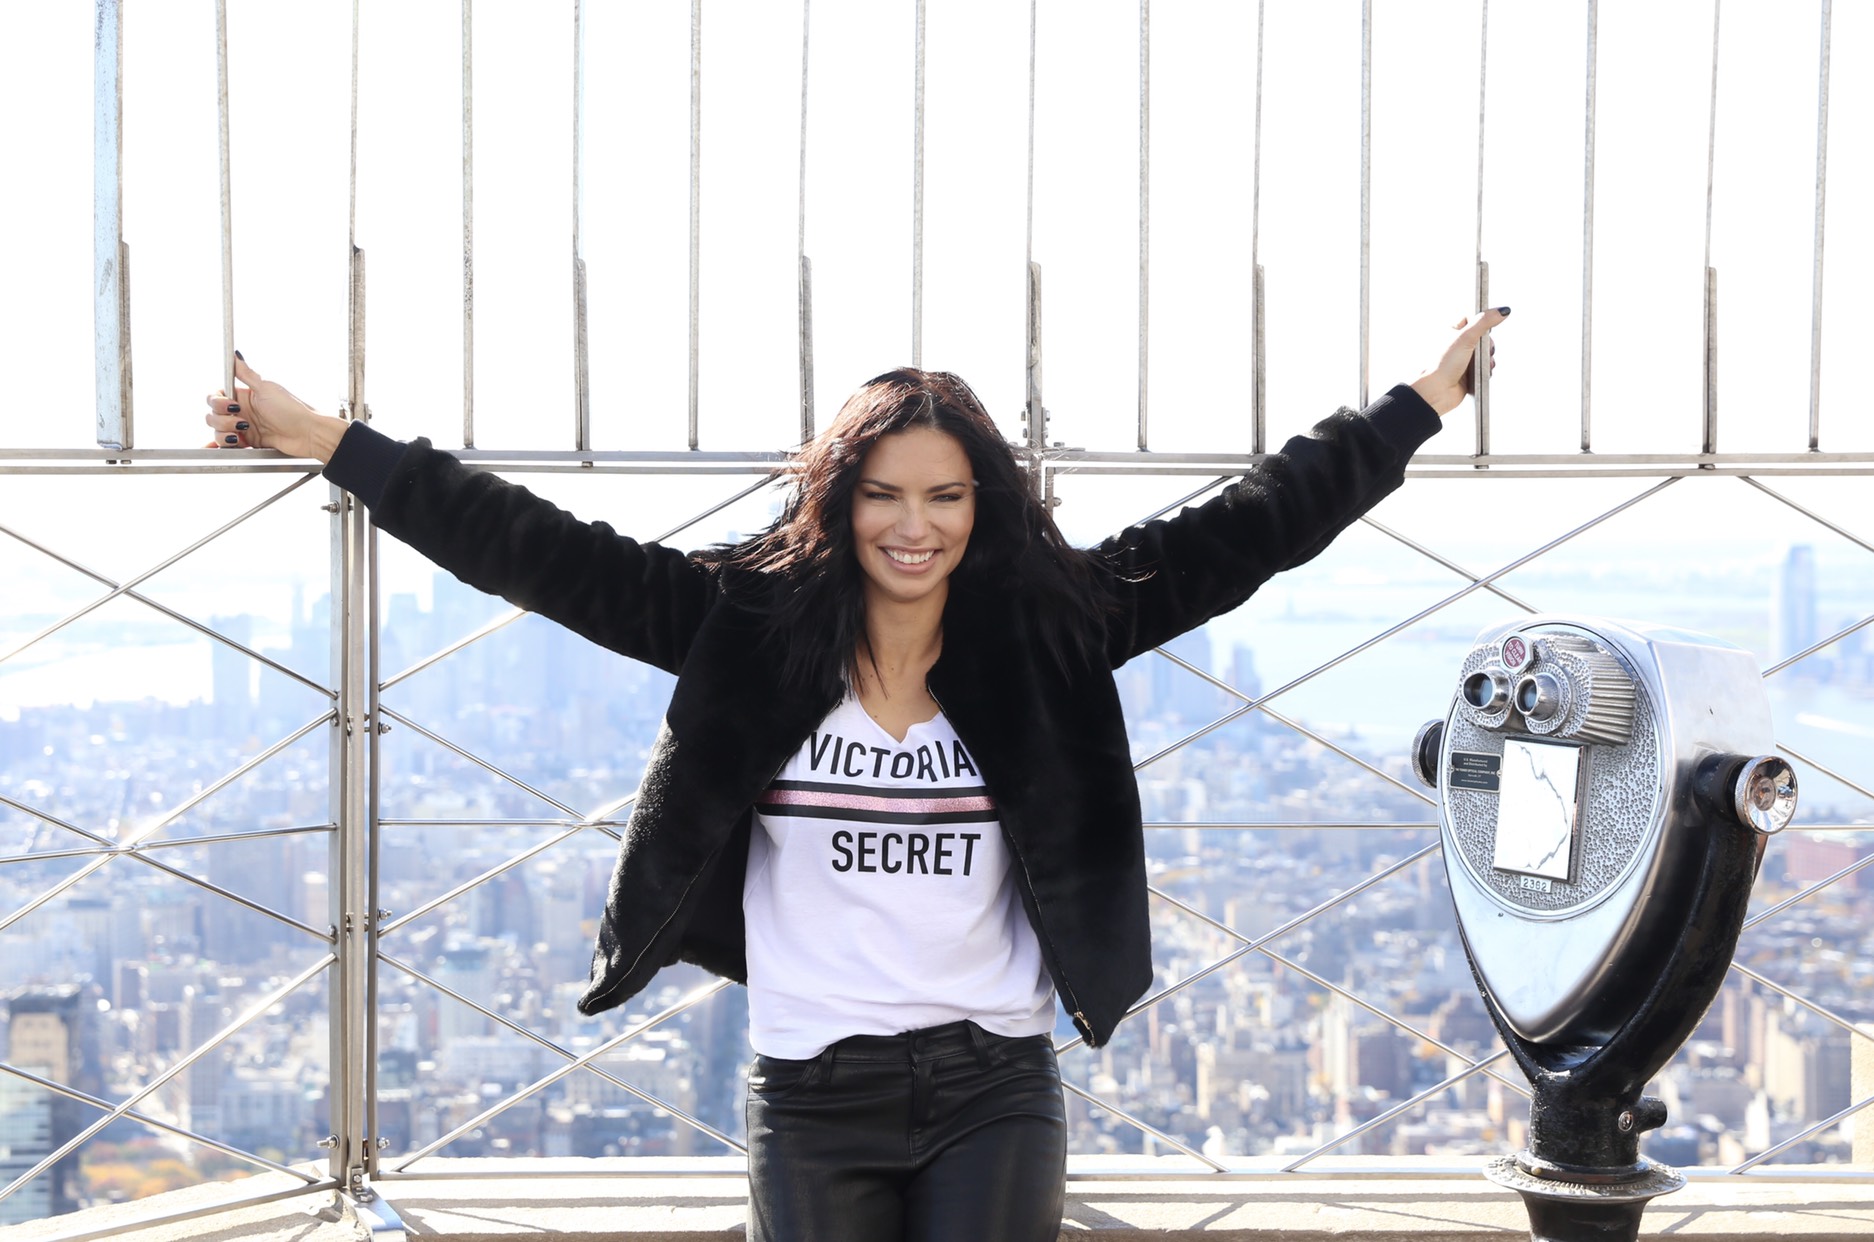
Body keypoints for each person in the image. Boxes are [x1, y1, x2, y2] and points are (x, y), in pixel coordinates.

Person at [205, 308, 1507, 1241]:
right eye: (883, 493)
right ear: (838, 497)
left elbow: (1258, 523)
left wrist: (1420, 400)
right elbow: (530, 546)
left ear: (980, 504)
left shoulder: (1051, 626)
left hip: (991, 1080)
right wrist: (326, 436)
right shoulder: (751, 626)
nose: (914, 525)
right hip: (809, 1087)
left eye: (945, 496)